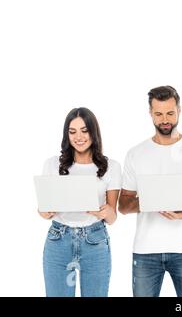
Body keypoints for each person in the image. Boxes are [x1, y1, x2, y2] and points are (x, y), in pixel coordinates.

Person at [118, 85, 182, 297]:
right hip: (146, 251)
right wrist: (152, 199)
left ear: (179, 110)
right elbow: (124, 205)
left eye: (170, 113)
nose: (165, 119)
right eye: (159, 113)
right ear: (150, 113)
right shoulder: (136, 154)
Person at [39, 107, 122, 297]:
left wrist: (104, 211)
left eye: (84, 131)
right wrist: (44, 211)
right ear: (66, 135)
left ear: (94, 132)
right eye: (72, 131)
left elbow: (112, 217)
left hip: (94, 240)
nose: (79, 137)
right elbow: (42, 210)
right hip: (59, 239)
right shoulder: (52, 164)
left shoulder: (111, 167)